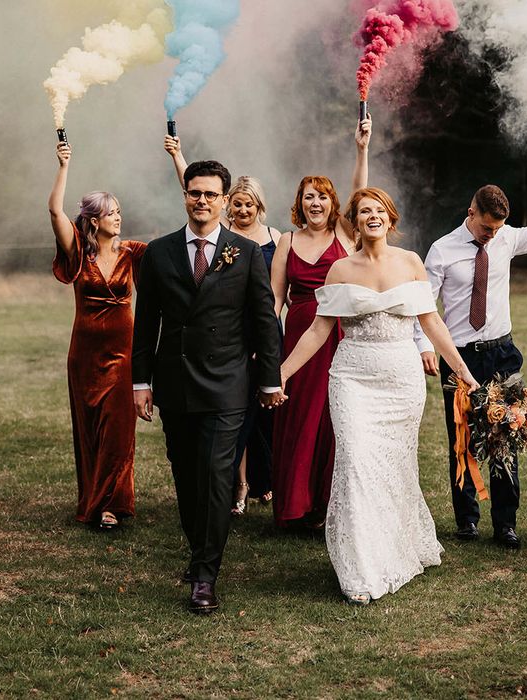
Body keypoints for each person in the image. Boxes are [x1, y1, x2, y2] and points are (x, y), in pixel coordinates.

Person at [281, 187, 479, 604]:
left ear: (391, 219)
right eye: (364, 211)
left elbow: (432, 323)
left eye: (379, 211)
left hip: (401, 380)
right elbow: (318, 331)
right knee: (354, 463)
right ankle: (362, 565)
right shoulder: (339, 270)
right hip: (352, 377)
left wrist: (462, 371)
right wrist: (280, 375)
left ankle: (395, 546)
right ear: (354, 222)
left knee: (393, 466)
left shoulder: (410, 263)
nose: (372, 216)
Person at [132, 160, 284, 614]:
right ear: (186, 196)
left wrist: (269, 379)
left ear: (223, 200)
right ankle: (200, 549)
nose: (202, 201)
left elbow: (263, 321)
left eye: (210, 195)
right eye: (194, 193)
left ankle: (204, 576)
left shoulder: (246, 252)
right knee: (187, 476)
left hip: (227, 385)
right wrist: (141, 381)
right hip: (175, 382)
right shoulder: (159, 253)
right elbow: (146, 324)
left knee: (218, 478)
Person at [414, 154, 527, 548]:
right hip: (460, 356)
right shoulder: (442, 250)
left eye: (496, 229)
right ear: (472, 212)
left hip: (502, 354)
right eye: (486, 228)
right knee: (462, 437)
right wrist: (424, 347)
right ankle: (466, 520)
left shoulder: (508, 237)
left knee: (506, 433)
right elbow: (425, 304)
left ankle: (506, 524)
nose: (491, 235)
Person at [163, 136, 281, 514]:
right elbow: (198, 190)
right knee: (233, 420)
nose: (243, 210)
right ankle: (235, 485)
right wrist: (178, 156)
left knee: (260, 417)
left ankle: (261, 481)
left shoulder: (269, 241)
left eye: (249, 204)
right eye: (239, 204)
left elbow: (273, 299)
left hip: (258, 335)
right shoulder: (215, 234)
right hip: (223, 342)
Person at [269, 116, 371, 529]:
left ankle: (329, 505)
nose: (316, 204)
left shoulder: (346, 234)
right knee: (298, 416)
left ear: (333, 204)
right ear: (300, 202)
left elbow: (361, 192)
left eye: (323, 198)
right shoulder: (286, 243)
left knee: (332, 416)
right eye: (309, 197)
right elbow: (274, 299)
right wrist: (265, 342)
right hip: (298, 338)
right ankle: (295, 505)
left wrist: (362, 149)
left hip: (338, 336)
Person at [48, 141, 146, 531]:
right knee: (90, 429)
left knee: (118, 431)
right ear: (92, 220)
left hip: (123, 354)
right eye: (110, 212)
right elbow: (55, 209)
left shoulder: (133, 252)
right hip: (85, 356)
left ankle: (111, 505)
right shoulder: (78, 253)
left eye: (119, 211)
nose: (118, 218)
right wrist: (63, 165)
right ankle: (92, 497)